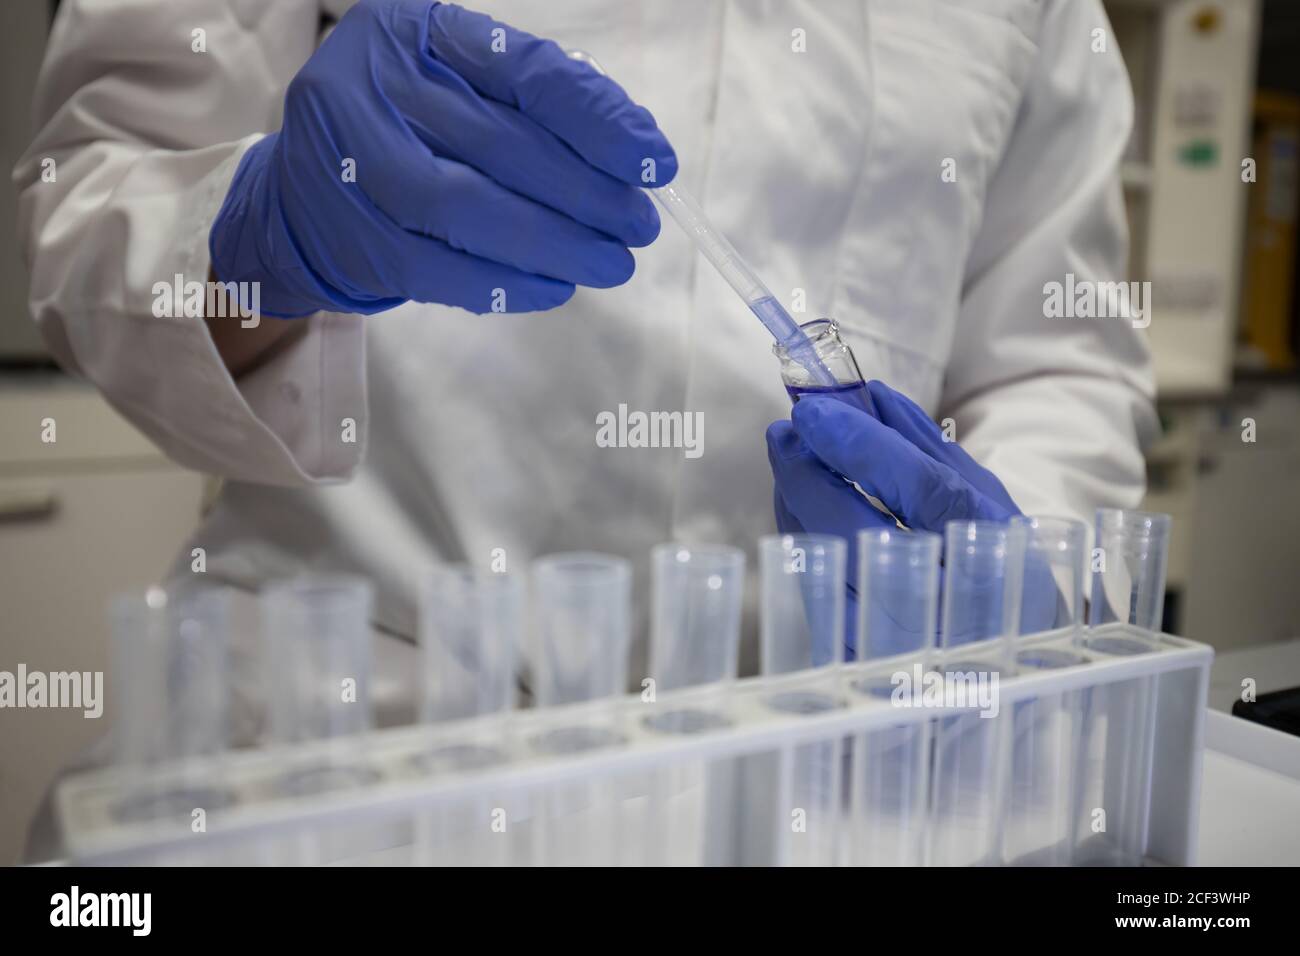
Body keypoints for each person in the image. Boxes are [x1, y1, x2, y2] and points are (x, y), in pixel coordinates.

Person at [15, 0, 1155, 676]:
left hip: (816, 750)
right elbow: (89, 208)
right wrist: (271, 232)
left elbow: (1059, 354)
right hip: (352, 715)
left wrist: (1011, 585)